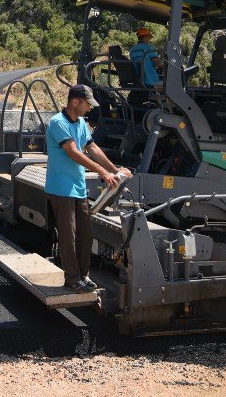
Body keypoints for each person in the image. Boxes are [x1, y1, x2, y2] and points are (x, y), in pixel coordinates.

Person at [45, 84, 133, 293]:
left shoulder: (82, 123)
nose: (90, 108)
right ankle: (72, 279)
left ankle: (83, 276)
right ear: (75, 102)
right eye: (87, 104)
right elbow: (74, 152)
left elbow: (93, 148)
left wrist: (115, 169)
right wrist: (103, 173)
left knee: (86, 234)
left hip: (77, 186)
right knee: (69, 235)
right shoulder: (57, 123)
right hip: (60, 188)